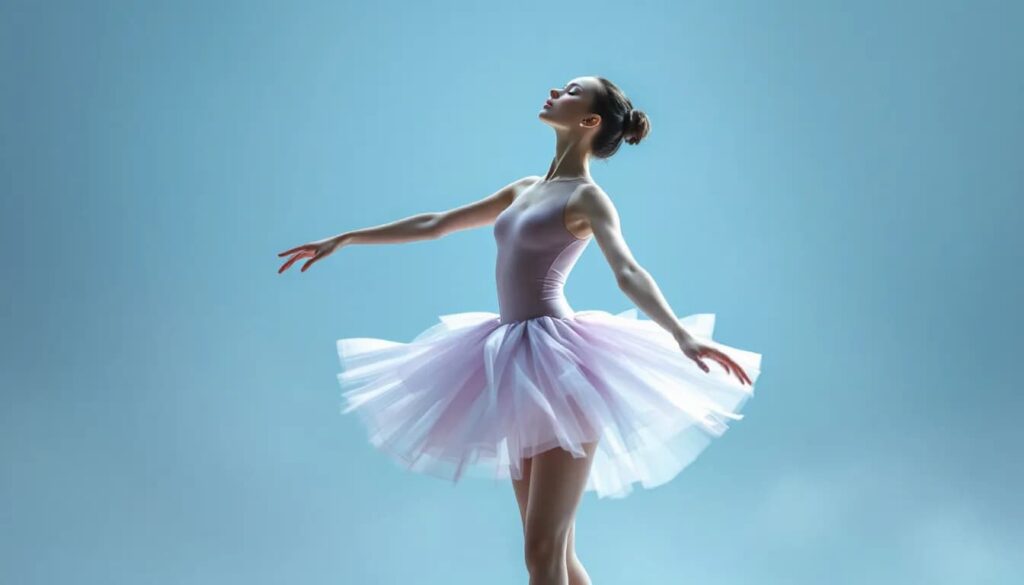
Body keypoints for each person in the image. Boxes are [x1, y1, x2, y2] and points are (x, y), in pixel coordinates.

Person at [277, 75, 762, 585]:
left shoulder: (589, 199)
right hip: (513, 362)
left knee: (542, 551)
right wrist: (348, 238)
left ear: (590, 122)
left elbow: (627, 270)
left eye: (572, 91)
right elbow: (438, 223)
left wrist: (680, 333)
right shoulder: (524, 189)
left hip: (563, 368)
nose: (555, 92)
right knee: (556, 557)